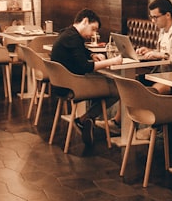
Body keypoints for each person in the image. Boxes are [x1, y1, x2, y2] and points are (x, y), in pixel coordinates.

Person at [50, 8, 123, 147]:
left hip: (62, 84)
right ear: (85, 21)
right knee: (117, 89)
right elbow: (84, 67)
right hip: (71, 86)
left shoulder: (68, 33)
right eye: (93, 29)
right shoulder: (73, 37)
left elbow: (80, 50)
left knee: (106, 85)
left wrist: (91, 55)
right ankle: (86, 118)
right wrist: (111, 62)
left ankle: (85, 119)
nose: (93, 34)